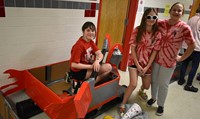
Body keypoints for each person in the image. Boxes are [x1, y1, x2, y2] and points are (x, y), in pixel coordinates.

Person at [147, 2, 195, 116]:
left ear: (182, 13)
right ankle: (153, 98)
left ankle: (161, 105)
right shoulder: (160, 23)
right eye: (174, 9)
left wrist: (181, 58)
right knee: (154, 81)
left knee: (163, 84)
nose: (176, 12)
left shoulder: (184, 28)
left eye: (179, 11)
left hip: (169, 61)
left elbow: (192, 45)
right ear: (170, 11)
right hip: (156, 58)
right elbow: (149, 28)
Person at [119, 8, 161, 115]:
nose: (151, 19)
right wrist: (138, 65)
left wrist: (146, 67)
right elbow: (132, 49)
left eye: (154, 17)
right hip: (135, 61)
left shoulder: (157, 34)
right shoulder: (137, 30)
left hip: (147, 62)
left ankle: (141, 91)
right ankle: (123, 103)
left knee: (147, 86)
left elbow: (155, 52)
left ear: (157, 19)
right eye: (149, 17)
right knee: (133, 83)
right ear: (145, 18)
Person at [70, 21, 112, 85]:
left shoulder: (90, 42)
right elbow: (73, 65)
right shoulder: (79, 46)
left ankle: (88, 83)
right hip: (78, 72)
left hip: (86, 67)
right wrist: (91, 67)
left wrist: (97, 61)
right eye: (88, 30)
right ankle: (87, 86)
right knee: (108, 68)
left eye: (92, 31)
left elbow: (100, 54)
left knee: (107, 67)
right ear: (83, 31)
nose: (91, 33)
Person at [178, 6, 200, 93]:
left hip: (186, 45)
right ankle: (189, 85)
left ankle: (181, 80)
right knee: (194, 66)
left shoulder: (191, 19)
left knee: (185, 63)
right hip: (197, 47)